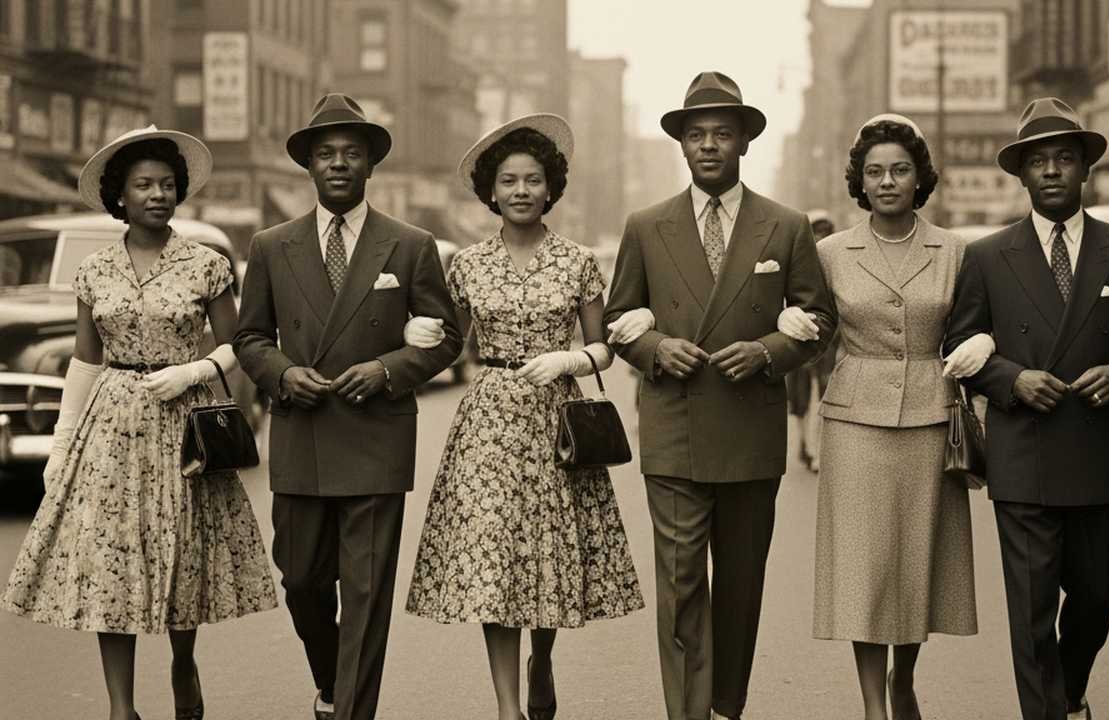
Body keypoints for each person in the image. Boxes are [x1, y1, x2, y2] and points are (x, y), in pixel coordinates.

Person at [2, 126, 277, 720]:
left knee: (182, 549)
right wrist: (60, 442)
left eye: (167, 184)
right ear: (119, 196)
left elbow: (241, 345)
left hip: (185, 420)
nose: (158, 194)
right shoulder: (94, 269)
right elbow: (83, 359)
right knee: (111, 562)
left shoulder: (206, 263)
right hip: (112, 424)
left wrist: (196, 369)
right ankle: (120, 708)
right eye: (143, 185)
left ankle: (183, 663)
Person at [603, 71, 836, 720]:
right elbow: (619, 319)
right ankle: (688, 712)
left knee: (740, 587)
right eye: (697, 135)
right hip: (674, 430)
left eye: (722, 135)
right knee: (680, 586)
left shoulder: (784, 227)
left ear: (743, 144)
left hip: (749, 433)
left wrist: (767, 353)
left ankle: (724, 708)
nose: (709, 146)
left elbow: (818, 320)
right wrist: (654, 350)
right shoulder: (646, 227)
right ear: (682, 145)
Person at [401, 113, 644, 720]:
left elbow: (603, 348)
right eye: (508, 180)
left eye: (532, 179)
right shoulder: (468, 266)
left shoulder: (578, 261)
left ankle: (543, 656)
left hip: (557, 418)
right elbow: (448, 346)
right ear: (490, 190)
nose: (520, 191)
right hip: (488, 423)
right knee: (493, 560)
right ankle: (508, 708)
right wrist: (417, 331)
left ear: (550, 187)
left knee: (549, 551)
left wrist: (570, 357)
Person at [943, 97, 1109, 720]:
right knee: (1030, 610)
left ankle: (1067, 693)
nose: (1051, 170)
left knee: (1099, 596)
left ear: (1085, 170)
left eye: (1064, 159)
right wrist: (1012, 380)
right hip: (1024, 456)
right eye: (1039, 160)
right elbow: (958, 345)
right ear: (1021, 174)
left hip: (1101, 454)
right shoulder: (988, 256)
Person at [233, 94, 462, 720]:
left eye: (352, 153)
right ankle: (335, 683)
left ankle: (351, 711)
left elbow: (447, 336)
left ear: (371, 165)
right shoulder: (271, 245)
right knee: (302, 580)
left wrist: (388, 368)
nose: (339, 164)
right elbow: (249, 337)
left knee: (365, 593)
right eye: (327, 153)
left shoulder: (410, 244)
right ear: (308, 164)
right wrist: (281, 374)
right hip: (301, 434)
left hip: (375, 439)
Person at [774, 114, 994, 720]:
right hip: (854, 419)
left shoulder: (954, 251)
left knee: (918, 561)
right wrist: (789, 328)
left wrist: (983, 352)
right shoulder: (829, 253)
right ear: (860, 182)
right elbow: (813, 333)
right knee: (864, 567)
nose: (888, 181)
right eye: (875, 172)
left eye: (900, 170)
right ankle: (875, 703)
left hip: (931, 416)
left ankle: (906, 678)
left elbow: (972, 331)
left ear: (919, 178)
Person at [785, 210, 838, 472]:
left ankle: (817, 451)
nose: (820, 236)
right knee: (801, 401)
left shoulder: (836, 263)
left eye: (825, 231)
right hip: (798, 345)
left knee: (823, 398)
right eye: (816, 231)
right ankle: (805, 445)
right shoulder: (794, 260)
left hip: (829, 346)